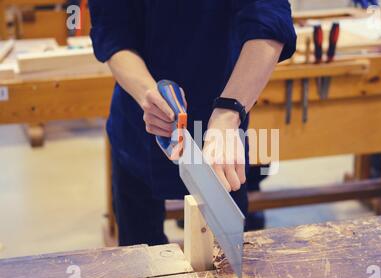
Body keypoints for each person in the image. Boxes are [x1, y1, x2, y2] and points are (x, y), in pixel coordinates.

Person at [89, 0, 297, 246]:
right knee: (139, 255)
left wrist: (228, 114)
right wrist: (148, 93)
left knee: (225, 258)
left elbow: (269, 20)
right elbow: (114, 34)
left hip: (222, 122)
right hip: (141, 123)